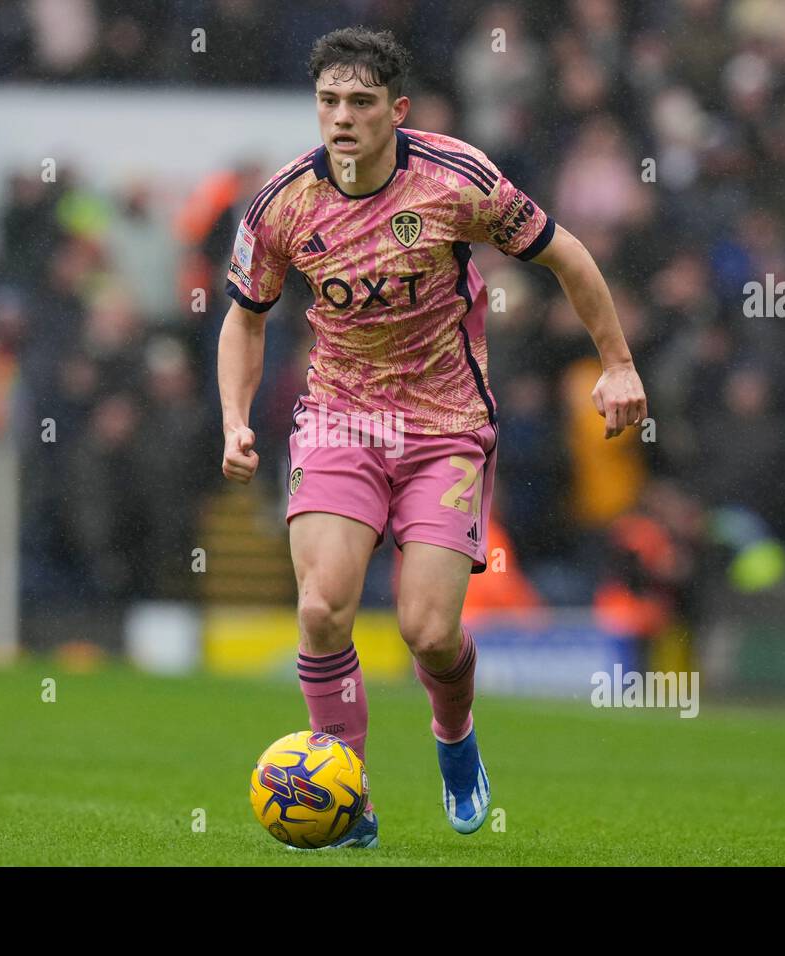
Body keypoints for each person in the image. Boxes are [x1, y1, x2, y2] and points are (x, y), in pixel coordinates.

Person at [216, 27, 647, 849]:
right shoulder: (282, 203)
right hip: (340, 417)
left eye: (361, 103)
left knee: (430, 631)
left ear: (397, 110)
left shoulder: (458, 180)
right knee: (320, 607)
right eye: (329, 102)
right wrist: (236, 420)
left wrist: (618, 363)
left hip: (444, 426)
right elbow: (244, 320)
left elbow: (570, 258)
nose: (342, 118)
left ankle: (454, 737)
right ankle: (345, 793)